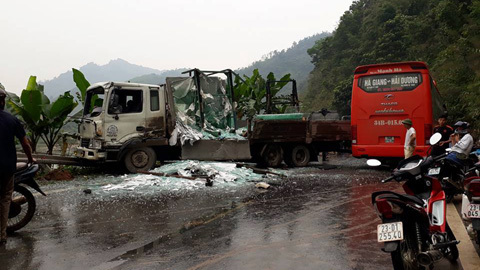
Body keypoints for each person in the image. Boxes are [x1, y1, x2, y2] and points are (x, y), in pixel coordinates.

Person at [0, 84, 34, 245]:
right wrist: (30, 158)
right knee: (5, 198)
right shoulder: (11, 120)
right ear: (3, 102)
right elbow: (26, 145)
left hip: (6, 168)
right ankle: (1, 235)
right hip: (6, 168)